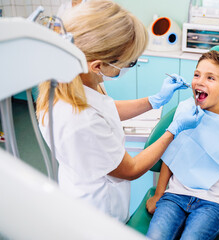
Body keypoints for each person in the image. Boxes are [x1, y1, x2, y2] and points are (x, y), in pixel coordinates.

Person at [36, 0, 203, 223]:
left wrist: (154, 101)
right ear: (97, 66)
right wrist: (173, 130)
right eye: (128, 63)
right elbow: (131, 169)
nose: (129, 67)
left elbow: (105, 109)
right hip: (96, 211)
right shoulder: (80, 120)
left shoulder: (71, 82)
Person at [146, 50, 219, 240]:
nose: (200, 81)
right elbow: (171, 155)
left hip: (213, 203)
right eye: (197, 75)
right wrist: (159, 194)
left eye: (210, 78)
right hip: (175, 196)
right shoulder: (185, 110)